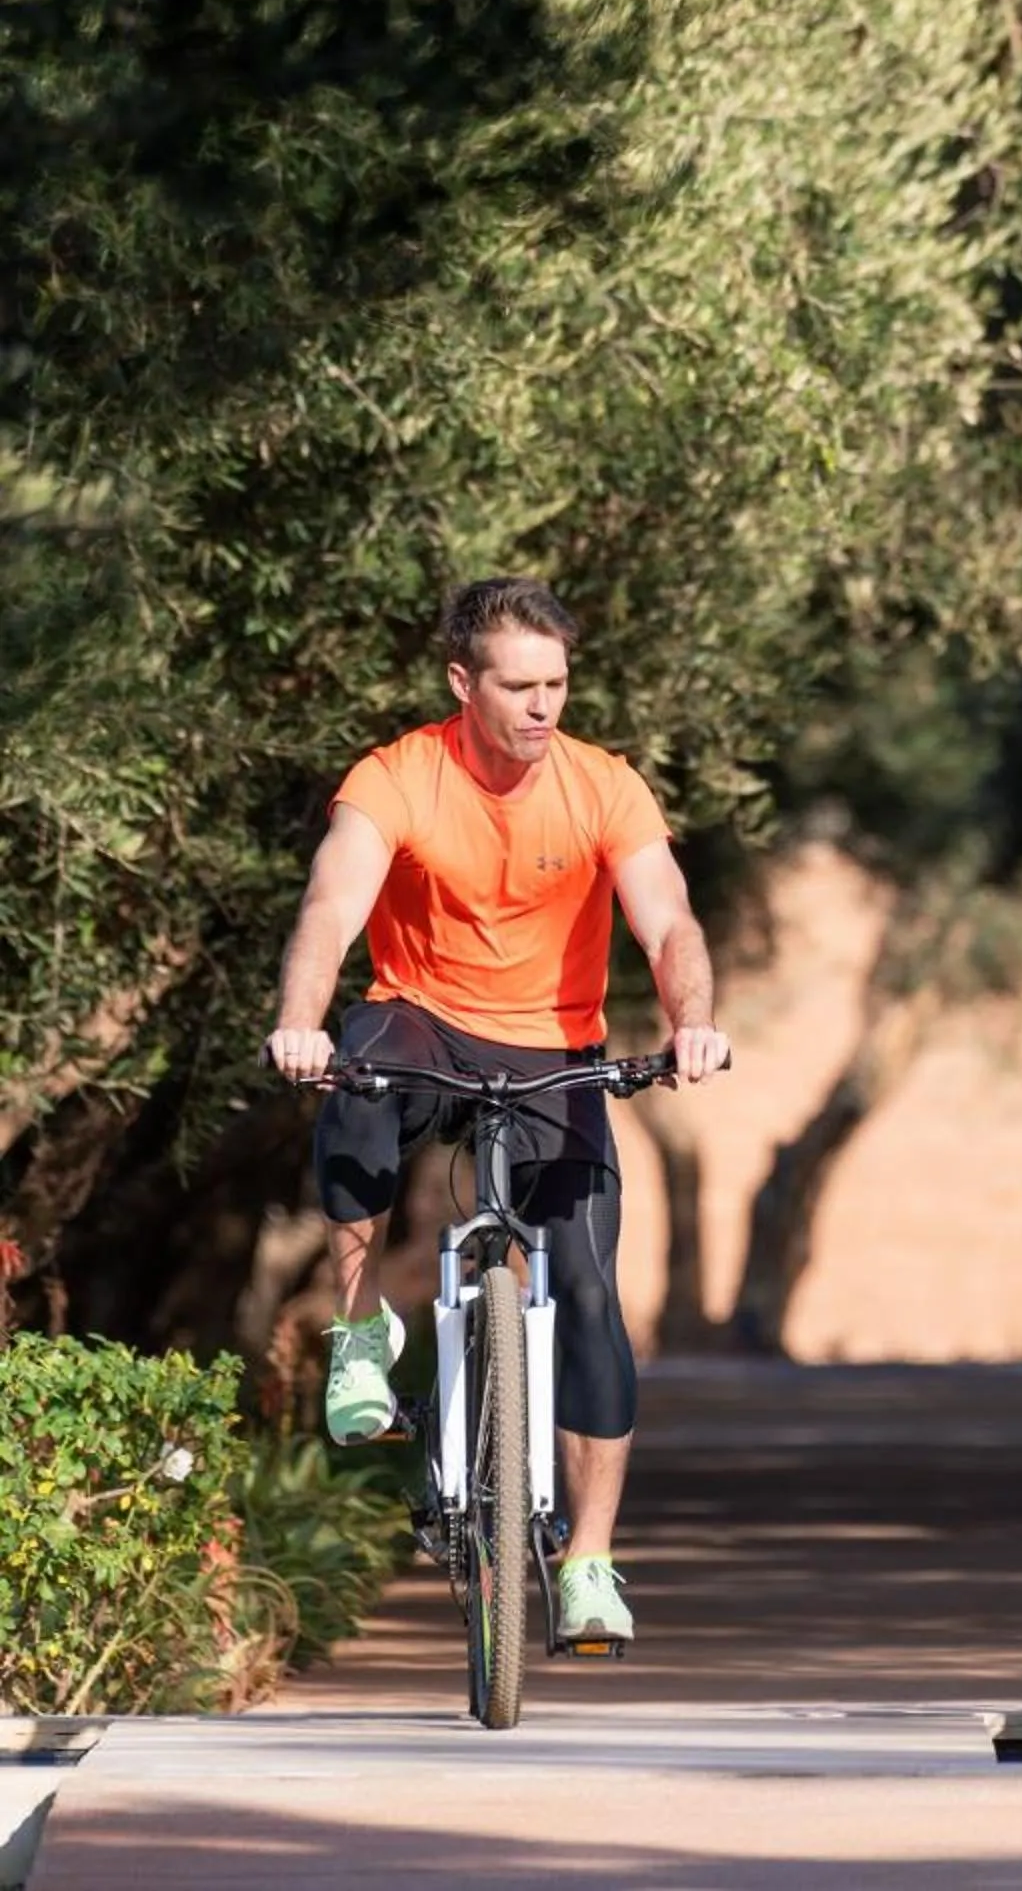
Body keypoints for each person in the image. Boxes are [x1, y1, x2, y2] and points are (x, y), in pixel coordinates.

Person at [264, 575, 729, 1650]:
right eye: (518, 686)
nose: (542, 707)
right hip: (422, 1017)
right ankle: (360, 1331)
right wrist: (301, 1021)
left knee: (596, 1294)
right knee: (355, 1083)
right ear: (460, 683)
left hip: (555, 1043)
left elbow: (669, 926)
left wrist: (692, 1021)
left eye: (557, 684)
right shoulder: (399, 776)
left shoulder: (604, 785)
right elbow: (333, 904)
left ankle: (590, 1565)